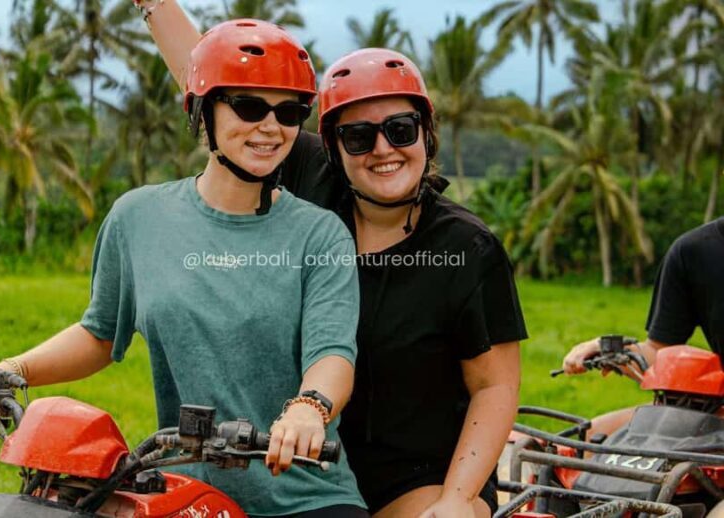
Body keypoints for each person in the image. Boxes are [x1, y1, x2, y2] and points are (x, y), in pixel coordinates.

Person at [0, 19, 369, 518]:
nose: (271, 127)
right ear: (201, 111)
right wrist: (10, 370)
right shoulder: (138, 217)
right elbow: (100, 334)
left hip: (307, 496)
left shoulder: (320, 234)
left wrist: (309, 407)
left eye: (289, 112)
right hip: (185, 492)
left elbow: (332, 353)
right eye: (249, 107)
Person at [135, 3, 527, 517]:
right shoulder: (313, 186)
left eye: (401, 129)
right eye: (358, 136)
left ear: (426, 133)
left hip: (420, 476)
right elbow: (225, 87)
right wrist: (155, 5)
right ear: (334, 147)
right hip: (295, 464)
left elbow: (494, 385)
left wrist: (457, 497)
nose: (382, 149)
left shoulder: (466, 249)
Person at [562, 216, 724, 433]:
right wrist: (609, 349)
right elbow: (660, 353)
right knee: (589, 437)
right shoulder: (693, 252)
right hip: (715, 413)